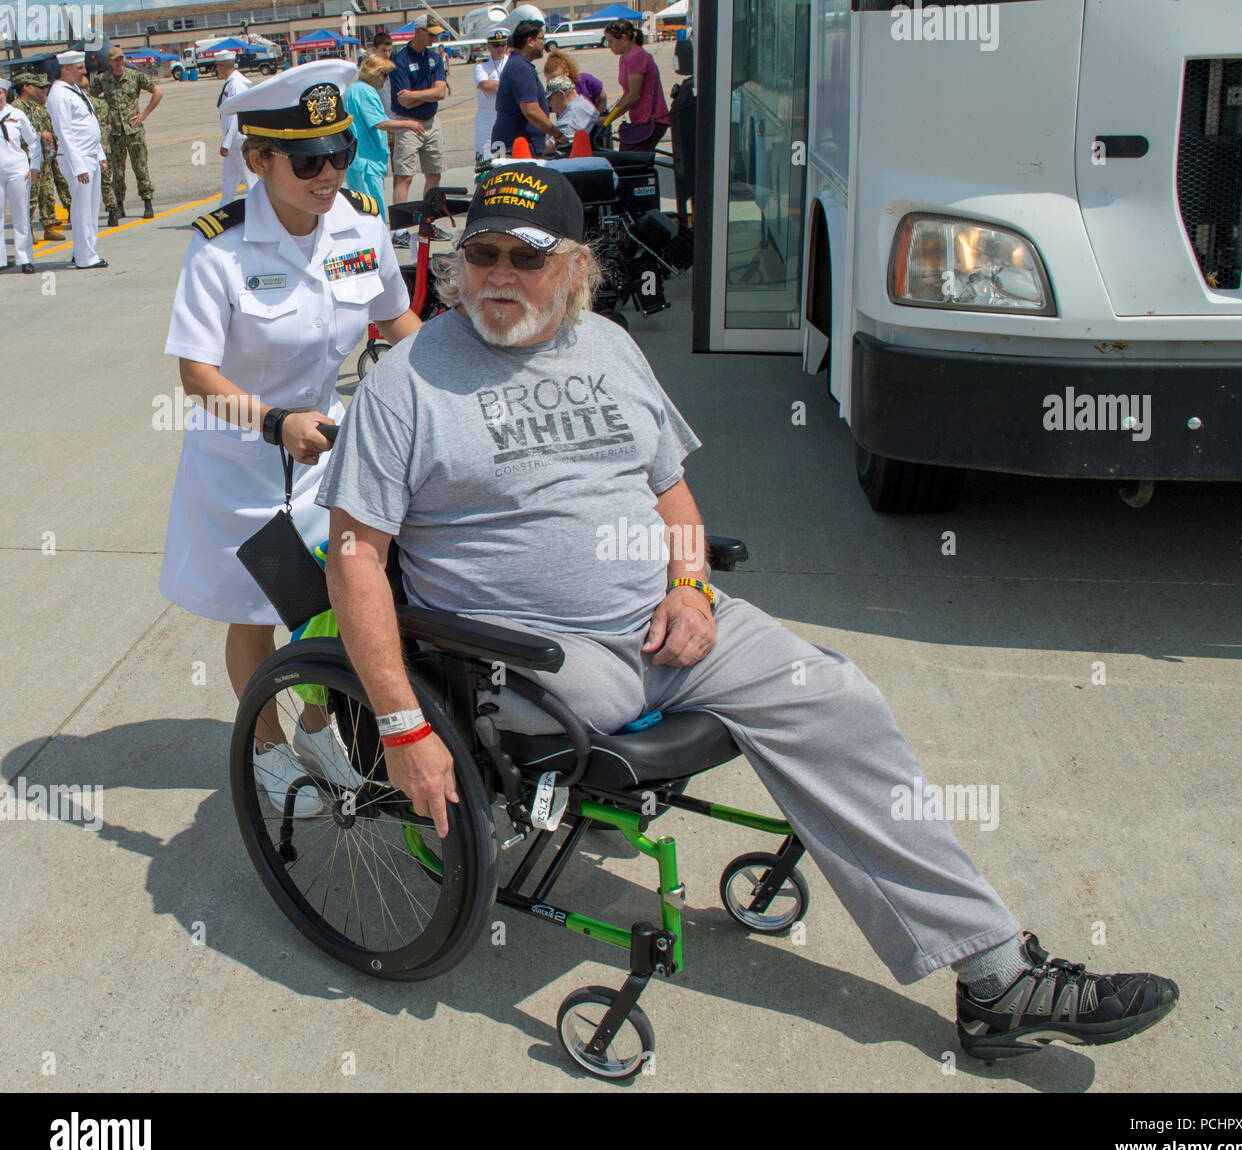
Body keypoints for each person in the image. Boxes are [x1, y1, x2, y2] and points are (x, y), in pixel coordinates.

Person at [315, 162, 1180, 1063]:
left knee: (841, 701)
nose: (497, 275)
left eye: (525, 259)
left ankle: (996, 976)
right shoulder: (407, 384)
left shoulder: (608, 345)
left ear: (576, 269)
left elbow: (675, 502)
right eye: (481, 254)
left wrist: (689, 589)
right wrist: (403, 724)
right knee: (611, 715)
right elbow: (356, 562)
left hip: (669, 619)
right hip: (530, 655)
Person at [159, 61, 423, 815]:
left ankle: (316, 727)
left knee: (333, 604)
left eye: (340, 151)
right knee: (257, 609)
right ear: (258, 159)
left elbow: (396, 323)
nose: (330, 172)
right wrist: (277, 423)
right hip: (242, 459)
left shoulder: (360, 223)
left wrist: (454, 376)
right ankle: (269, 747)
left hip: (330, 452)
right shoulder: (220, 249)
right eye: (308, 160)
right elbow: (198, 377)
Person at [46, 49, 108, 269]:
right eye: (79, 68)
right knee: (83, 209)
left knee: (91, 207)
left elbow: (88, 123)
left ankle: (83, 251)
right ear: (65, 69)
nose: (84, 72)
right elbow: (64, 133)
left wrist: (99, 153)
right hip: (76, 158)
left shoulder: (73, 90)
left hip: (88, 155)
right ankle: (85, 257)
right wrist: (79, 165)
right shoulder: (59, 95)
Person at [389, 13, 449, 239]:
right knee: (404, 176)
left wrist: (417, 95)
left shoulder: (435, 58)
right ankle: (400, 229)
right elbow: (403, 100)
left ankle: (429, 222)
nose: (434, 39)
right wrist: (429, 94)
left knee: (434, 173)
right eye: (431, 34)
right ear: (418, 32)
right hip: (407, 122)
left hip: (431, 122)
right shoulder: (401, 59)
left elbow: (441, 92)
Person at [343, 53, 422, 220]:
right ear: (374, 74)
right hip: (366, 161)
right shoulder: (365, 91)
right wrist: (408, 124)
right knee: (373, 212)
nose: (386, 80)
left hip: (358, 159)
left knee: (361, 210)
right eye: (384, 75)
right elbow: (378, 122)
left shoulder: (354, 89)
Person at [90, 45, 161, 219]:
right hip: (114, 133)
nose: (120, 63)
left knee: (141, 168)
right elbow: (91, 98)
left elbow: (158, 92)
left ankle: (147, 201)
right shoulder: (103, 80)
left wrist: (144, 114)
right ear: (110, 62)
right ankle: (119, 204)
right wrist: (103, 116)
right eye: (116, 60)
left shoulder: (134, 76)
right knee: (117, 172)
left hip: (134, 130)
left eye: (122, 59)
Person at [490, 20, 566, 159]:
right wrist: (558, 135)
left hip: (516, 144)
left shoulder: (519, 64)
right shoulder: (521, 68)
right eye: (542, 38)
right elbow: (531, 110)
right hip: (515, 146)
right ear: (530, 41)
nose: (544, 43)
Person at [602, 18, 670, 152]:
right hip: (639, 121)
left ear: (624, 38)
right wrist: (610, 114)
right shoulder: (624, 58)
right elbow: (626, 93)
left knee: (630, 163)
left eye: (611, 42)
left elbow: (633, 96)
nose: (609, 46)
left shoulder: (637, 56)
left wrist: (608, 119)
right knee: (629, 162)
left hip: (652, 120)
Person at [11, 74, 64, 243]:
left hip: (42, 156)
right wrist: (41, 135)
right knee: (30, 197)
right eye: (34, 85)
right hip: (27, 159)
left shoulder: (34, 106)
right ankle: (29, 231)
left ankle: (49, 227)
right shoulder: (16, 109)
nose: (38, 88)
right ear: (25, 87)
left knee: (47, 192)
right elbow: (15, 136)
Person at [0, 76, 41, 274]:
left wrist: (35, 165)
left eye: (0, 92)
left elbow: (33, 141)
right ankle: (0, 260)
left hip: (17, 170)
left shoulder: (17, 114)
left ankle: (25, 258)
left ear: (5, 94)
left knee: (21, 215)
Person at [214, 51, 253, 205]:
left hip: (238, 141)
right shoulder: (232, 83)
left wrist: (226, 143)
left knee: (250, 180)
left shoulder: (237, 84)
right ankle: (222, 213)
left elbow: (237, 114)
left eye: (217, 67)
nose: (217, 70)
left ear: (221, 66)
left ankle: (264, 213)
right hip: (233, 142)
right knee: (229, 179)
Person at [78, 77, 117, 227]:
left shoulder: (82, 104)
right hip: (104, 148)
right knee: (106, 183)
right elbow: (109, 126)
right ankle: (113, 211)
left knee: (85, 186)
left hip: (87, 150)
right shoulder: (102, 103)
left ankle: (84, 217)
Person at [472, 27, 511, 168]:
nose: (500, 49)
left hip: (506, 116)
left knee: (504, 158)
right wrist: (510, 87)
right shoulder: (481, 64)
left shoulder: (512, 62)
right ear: (489, 46)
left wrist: (498, 86)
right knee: (484, 160)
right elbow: (485, 85)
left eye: (503, 44)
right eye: (496, 45)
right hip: (487, 118)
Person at [543, 50, 606, 114]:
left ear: (566, 72)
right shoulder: (553, 92)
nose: (553, 82)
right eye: (549, 80)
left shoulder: (586, 80)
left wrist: (596, 115)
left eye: (556, 78)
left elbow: (602, 97)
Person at [545, 75, 600, 145]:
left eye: (549, 99)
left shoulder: (571, 117)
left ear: (560, 94)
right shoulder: (583, 103)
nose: (549, 104)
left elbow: (550, 146)